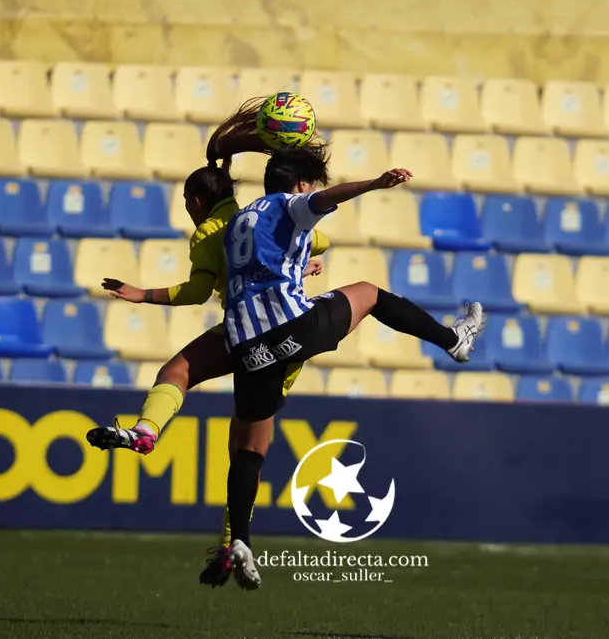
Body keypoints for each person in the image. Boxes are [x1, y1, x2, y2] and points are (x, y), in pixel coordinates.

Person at [216, 142, 486, 590]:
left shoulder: (239, 222)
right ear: (299, 183)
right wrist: (375, 183)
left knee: (249, 447)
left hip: (244, 344)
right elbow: (324, 200)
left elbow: (257, 272)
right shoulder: (291, 203)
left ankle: (240, 541)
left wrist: (301, 267)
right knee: (370, 293)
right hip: (288, 327)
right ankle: (453, 340)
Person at [84, 107, 328, 588]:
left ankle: (148, 431)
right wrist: (301, 261)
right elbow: (314, 238)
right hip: (288, 334)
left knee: (177, 374)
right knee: (249, 449)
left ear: (197, 200)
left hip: (247, 330)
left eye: (185, 201)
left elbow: (197, 292)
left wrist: (143, 293)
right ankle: (230, 547)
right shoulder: (257, 215)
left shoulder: (209, 232)